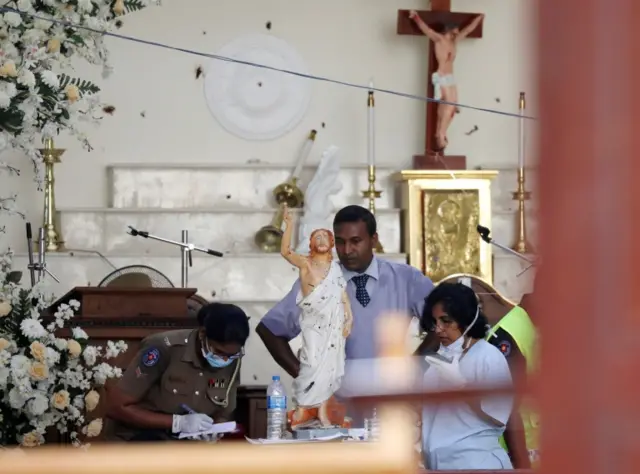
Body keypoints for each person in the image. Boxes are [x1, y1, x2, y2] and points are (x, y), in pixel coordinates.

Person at [256, 205, 435, 378]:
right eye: (340, 242)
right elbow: (270, 330)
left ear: (374, 240)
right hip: (336, 401)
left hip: (390, 398)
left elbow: (445, 325)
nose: (347, 250)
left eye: (356, 241)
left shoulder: (406, 279)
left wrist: (415, 369)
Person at [105, 302, 250, 442]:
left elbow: (224, 412)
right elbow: (116, 407)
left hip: (190, 449)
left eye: (232, 355)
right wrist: (177, 423)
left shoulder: (231, 359)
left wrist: (214, 431)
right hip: (142, 442)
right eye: (218, 351)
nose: (224, 359)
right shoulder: (164, 348)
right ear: (202, 334)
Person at [420, 282, 513, 470]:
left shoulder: (488, 356)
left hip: (477, 463)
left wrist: (462, 387)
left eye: (446, 321)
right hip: (439, 464)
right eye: (434, 322)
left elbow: (498, 415)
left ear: (467, 320)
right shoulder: (440, 360)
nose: (438, 329)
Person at [280, 205, 352, 428]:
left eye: (324, 237)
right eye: (316, 237)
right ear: (311, 244)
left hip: (333, 323)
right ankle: (302, 409)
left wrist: (349, 317)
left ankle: (321, 412)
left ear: (331, 244)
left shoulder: (336, 269)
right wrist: (289, 225)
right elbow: (285, 252)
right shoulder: (305, 263)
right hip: (313, 323)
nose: (320, 240)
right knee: (310, 364)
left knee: (330, 369)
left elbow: (342, 296)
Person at [408, 10, 485, 151]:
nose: (458, 31)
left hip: (450, 77)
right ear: (450, 29)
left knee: (453, 107)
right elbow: (427, 30)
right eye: (456, 29)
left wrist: (478, 19)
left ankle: (440, 131)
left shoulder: (455, 42)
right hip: (442, 76)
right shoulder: (439, 39)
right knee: (448, 105)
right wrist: (416, 17)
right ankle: (441, 134)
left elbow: (468, 30)